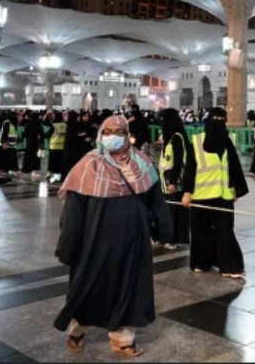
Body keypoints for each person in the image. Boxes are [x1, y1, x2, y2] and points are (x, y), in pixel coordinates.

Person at [53, 115, 172, 357]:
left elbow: (155, 201)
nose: (113, 137)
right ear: (100, 135)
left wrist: (164, 229)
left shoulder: (141, 162)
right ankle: (78, 329)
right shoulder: (87, 165)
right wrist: (69, 245)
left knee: (128, 286)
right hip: (94, 241)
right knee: (90, 285)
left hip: (133, 240)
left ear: (127, 135)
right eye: (108, 132)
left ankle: (121, 338)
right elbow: (74, 211)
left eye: (119, 131)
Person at [186, 108, 249, 277]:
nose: (218, 123)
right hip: (201, 195)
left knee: (225, 230)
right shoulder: (197, 142)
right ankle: (201, 262)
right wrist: (186, 192)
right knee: (201, 231)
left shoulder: (227, 142)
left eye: (222, 119)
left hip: (223, 195)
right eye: (215, 119)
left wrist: (237, 188)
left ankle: (230, 267)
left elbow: (234, 166)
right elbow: (190, 169)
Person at [158, 108, 194, 251]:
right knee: (174, 211)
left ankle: (173, 239)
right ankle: (177, 237)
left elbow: (178, 161)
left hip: (174, 181)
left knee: (173, 211)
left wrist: (172, 181)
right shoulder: (172, 137)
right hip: (168, 180)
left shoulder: (177, 138)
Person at [48, 111, 67, 182]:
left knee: (54, 161)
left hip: (54, 146)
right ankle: (60, 175)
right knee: (60, 161)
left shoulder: (54, 125)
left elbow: (48, 134)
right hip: (62, 146)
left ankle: (56, 176)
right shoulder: (65, 125)